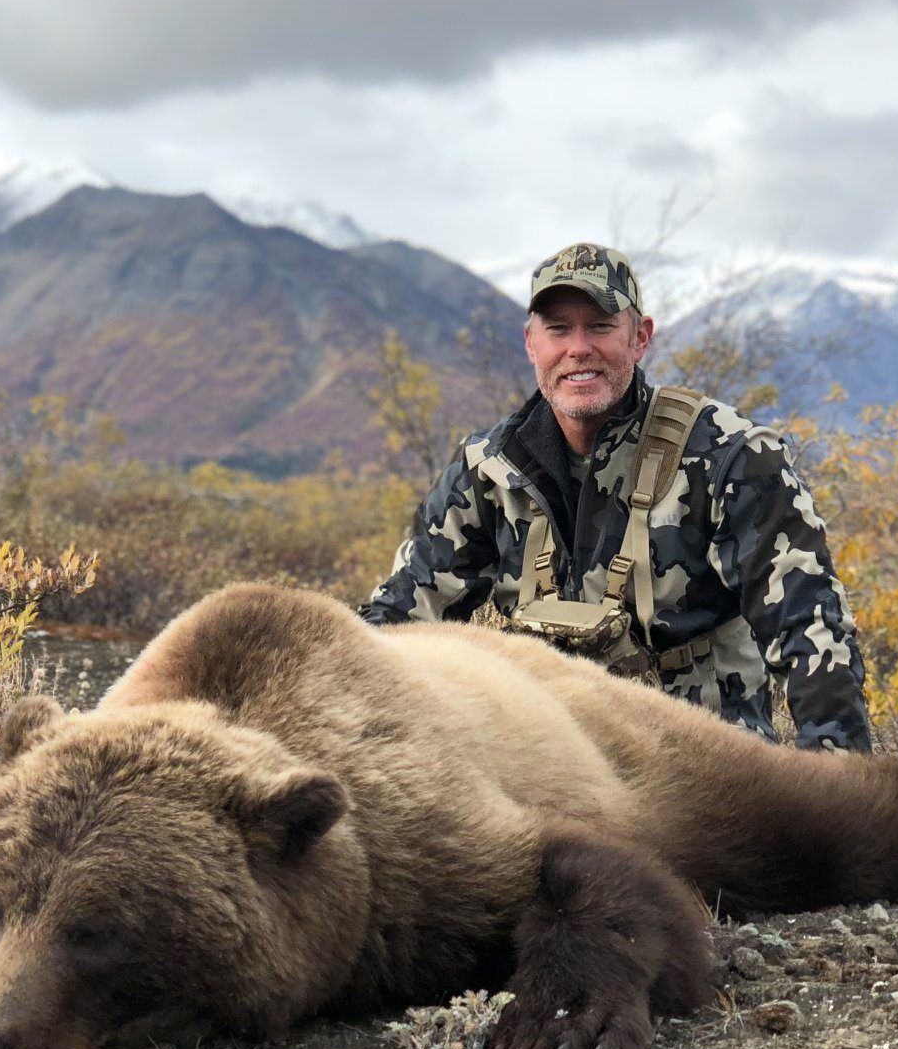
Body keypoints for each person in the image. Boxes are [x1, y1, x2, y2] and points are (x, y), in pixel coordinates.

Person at [359, 242, 871, 753]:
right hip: (548, 758)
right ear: (531, 343)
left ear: (639, 337)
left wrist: (836, 783)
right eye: (558, 329)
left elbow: (811, 625)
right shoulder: (488, 467)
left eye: (600, 326)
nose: (578, 348)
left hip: (703, 765)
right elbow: (401, 618)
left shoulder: (729, 456)